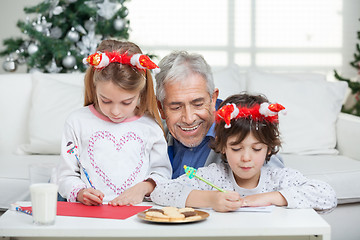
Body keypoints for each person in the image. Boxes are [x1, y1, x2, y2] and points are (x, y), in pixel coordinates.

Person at [151, 93, 337, 212]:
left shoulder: (278, 179)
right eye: (236, 148)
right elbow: (161, 191)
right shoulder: (214, 176)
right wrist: (212, 199)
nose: (246, 157)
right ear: (222, 146)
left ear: (269, 148)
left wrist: (267, 198)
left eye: (256, 149)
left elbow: (327, 195)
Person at [57, 40, 172, 206]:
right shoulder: (77, 122)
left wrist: (144, 188)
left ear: (141, 92)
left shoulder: (150, 126)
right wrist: (81, 192)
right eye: (106, 101)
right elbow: (65, 175)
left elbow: (162, 172)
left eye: (126, 102)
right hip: (89, 215)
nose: (116, 111)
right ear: (94, 87)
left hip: (136, 214)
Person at [155, 51, 284, 179]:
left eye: (198, 104)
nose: (189, 119)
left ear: (213, 98)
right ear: (161, 108)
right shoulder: (154, 132)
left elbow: (276, 183)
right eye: (176, 107)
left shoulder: (242, 126)